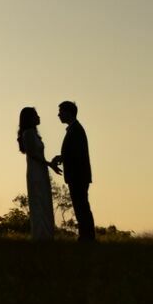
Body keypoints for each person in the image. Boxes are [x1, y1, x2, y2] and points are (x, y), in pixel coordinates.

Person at [50, 100, 95, 242]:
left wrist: (62, 157)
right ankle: (86, 236)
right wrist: (62, 157)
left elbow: (76, 153)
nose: (58, 115)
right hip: (77, 175)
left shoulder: (76, 130)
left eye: (61, 112)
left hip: (78, 176)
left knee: (81, 206)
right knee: (81, 206)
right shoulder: (74, 129)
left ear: (68, 112)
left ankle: (87, 237)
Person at [16, 106, 55, 241]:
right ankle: (40, 235)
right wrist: (49, 164)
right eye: (36, 115)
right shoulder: (29, 133)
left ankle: (46, 234)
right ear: (29, 119)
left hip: (41, 169)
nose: (38, 117)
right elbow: (33, 155)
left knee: (43, 200)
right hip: (35, 171)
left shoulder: (33, 133)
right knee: (38, 201)